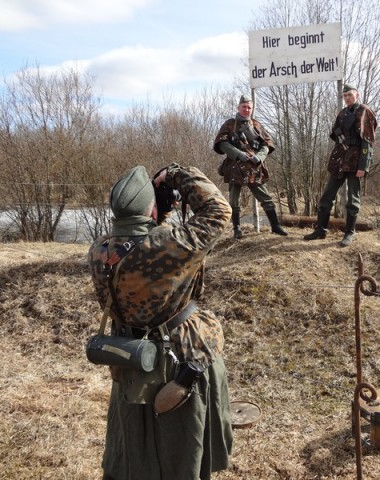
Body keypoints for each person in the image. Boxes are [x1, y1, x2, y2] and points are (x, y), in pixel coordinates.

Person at [88, 163, 233, 480]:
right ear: (151, 210)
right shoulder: (171, 245)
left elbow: (140, 241)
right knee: (180, 448)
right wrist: (180, 174)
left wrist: (159, 212)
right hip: (176, 360)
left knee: (135, 443)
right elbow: (218, 210)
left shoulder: (99, 249)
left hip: (130, 357)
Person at [303, 84, 377, 246]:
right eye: (344, 96)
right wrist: (340, 138)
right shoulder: (342, 113)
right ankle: (321, 230)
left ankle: (350, 232)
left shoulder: (365, 111)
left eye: (349, 95)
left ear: (356, 95)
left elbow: (368, 141)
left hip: (355, 161)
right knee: (326, 197)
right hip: (339, 160)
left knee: (352, 200)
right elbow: (334, 132)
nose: (347, 98)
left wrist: (363, 166)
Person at [213, 93, 288, 239]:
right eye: (244, 107)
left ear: (252, 109)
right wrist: (237, 153)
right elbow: (221, 143)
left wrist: (259, 157)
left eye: (249, 107)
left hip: (253, 167)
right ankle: (237, 229)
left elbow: (267, 144)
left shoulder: (256, 125)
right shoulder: (229, 124)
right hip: (235, 166)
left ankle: (276, 226)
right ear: (238, 107)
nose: (246, 110)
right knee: (234, 200)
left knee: (265, 197)